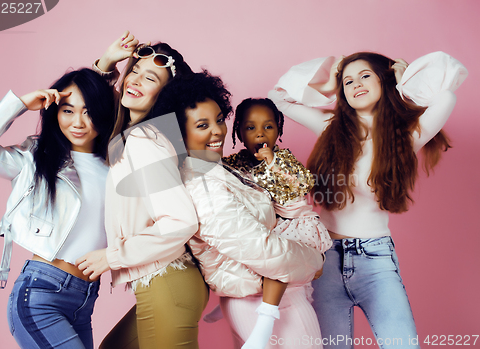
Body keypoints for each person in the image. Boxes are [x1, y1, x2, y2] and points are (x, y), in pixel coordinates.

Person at [268, 51, 468, 348]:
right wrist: (330, 78)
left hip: (375, 260)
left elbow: (447, 98)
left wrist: (403, 84)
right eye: (348, 82)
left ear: (383, 80)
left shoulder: (407, 134)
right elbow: (278, 97)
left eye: (364, 76)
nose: (356, 85)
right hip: (323, 260)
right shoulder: (329, 127)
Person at [151, 71, 325, 349]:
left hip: (255, 296)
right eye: (202, 125)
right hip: (265, 302)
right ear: (181, 133)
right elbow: (260, 248)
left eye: (219, 119)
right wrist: (315, 261)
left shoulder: (219, 169)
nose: (218, 131)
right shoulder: (202, 184)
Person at [76, 32, 208, 349]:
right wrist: (107, 62)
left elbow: (180, 221)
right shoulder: (130, 135)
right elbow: (85, 107)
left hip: (168, 282)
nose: (135, 80)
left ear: (164, 95)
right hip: (162, 283)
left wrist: (113, 256)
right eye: (134, 70)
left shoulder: (145, 140)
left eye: (150, 78)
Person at [0, 68, 115, 348]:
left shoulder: (115, 163)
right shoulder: (35, 158)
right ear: (54, 112)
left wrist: (106, 66)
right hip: (41, 294)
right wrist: (18, 104)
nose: (78, 122)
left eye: (89, 112)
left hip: (85, 299)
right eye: (67, 111)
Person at [218, 97, 333, 348]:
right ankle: (227, 301)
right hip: (268, 226)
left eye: (268, 127)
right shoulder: (234, 163)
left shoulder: (282, 158)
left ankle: (267, 315)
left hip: (293, 223)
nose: (260, 133)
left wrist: (273, 162)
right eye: (250, 128)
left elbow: (303, 183)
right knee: (253, 255)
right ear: (237, 132)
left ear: (278, 130)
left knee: (278, 262)